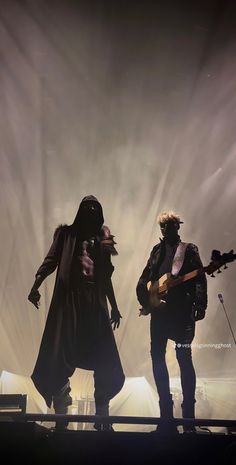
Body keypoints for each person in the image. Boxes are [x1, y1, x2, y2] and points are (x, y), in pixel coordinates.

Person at [28, 195, 125, 431]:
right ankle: (62, 414)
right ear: (81, 210)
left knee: (105, 356)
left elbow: (105, 276)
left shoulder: (102, 237)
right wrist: (35, 286)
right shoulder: (66, 234)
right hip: (70, 299)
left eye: (95, 207)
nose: (91, 210)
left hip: (95, 301)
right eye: (87, 206)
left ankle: (102, 416)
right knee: (58, 353)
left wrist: (114, 305)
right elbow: (50, 261)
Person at [136, 211, 207, 434]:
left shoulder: (189, 249)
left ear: (178, 227)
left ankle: (189, 420)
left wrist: (200, 303)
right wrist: (147, 299)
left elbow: (199, 276)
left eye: (170, 225)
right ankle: (166, 417)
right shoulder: (156, 251)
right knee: (157, 357)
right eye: (163, 225)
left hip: (182, 313)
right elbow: (144, 278)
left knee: (184, 357)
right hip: (160, 314)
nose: (166, 229)